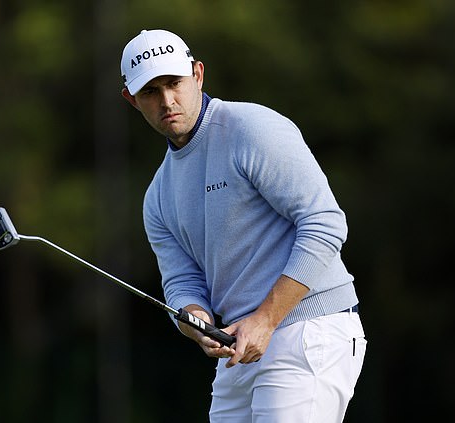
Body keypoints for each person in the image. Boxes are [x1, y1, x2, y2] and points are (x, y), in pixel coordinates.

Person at [120, 29, 367, 423]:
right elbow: (181, 283)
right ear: (131, 100)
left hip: (308, 329)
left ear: (198, 75)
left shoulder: (251, 129)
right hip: (240, 347)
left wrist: (267, 318)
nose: (167, 101)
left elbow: (325, 224)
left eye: (174, 83)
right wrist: (194, 321)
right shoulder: (158, 196)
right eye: (150, 91)